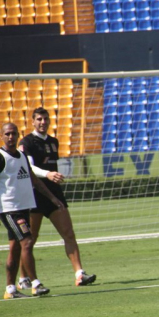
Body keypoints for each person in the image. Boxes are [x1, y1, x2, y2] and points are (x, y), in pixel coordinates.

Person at [18, 107, 96, 289]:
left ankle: (79, 274)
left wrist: (52, 177)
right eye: (39, 119)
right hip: (35, 195)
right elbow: (30, 169)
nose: (43, 122)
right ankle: (23, 278)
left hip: (54, 194)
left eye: (45, 119)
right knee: (30, 240)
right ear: (33, 121)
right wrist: (48, 174)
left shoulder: (54, 142)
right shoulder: (27, 142)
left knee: (68, 233)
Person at [0, 123, 65, 299]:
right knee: (27, 241)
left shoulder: (21, 156)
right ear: (1, 136)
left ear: (18, 135)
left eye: (14, 133)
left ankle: (10, 289)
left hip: (24, 207)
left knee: (15, 248)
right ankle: (35, 283)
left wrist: (52, 198)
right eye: (7, 134)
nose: (11, 137)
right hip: (9, 209)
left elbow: (34, 180)